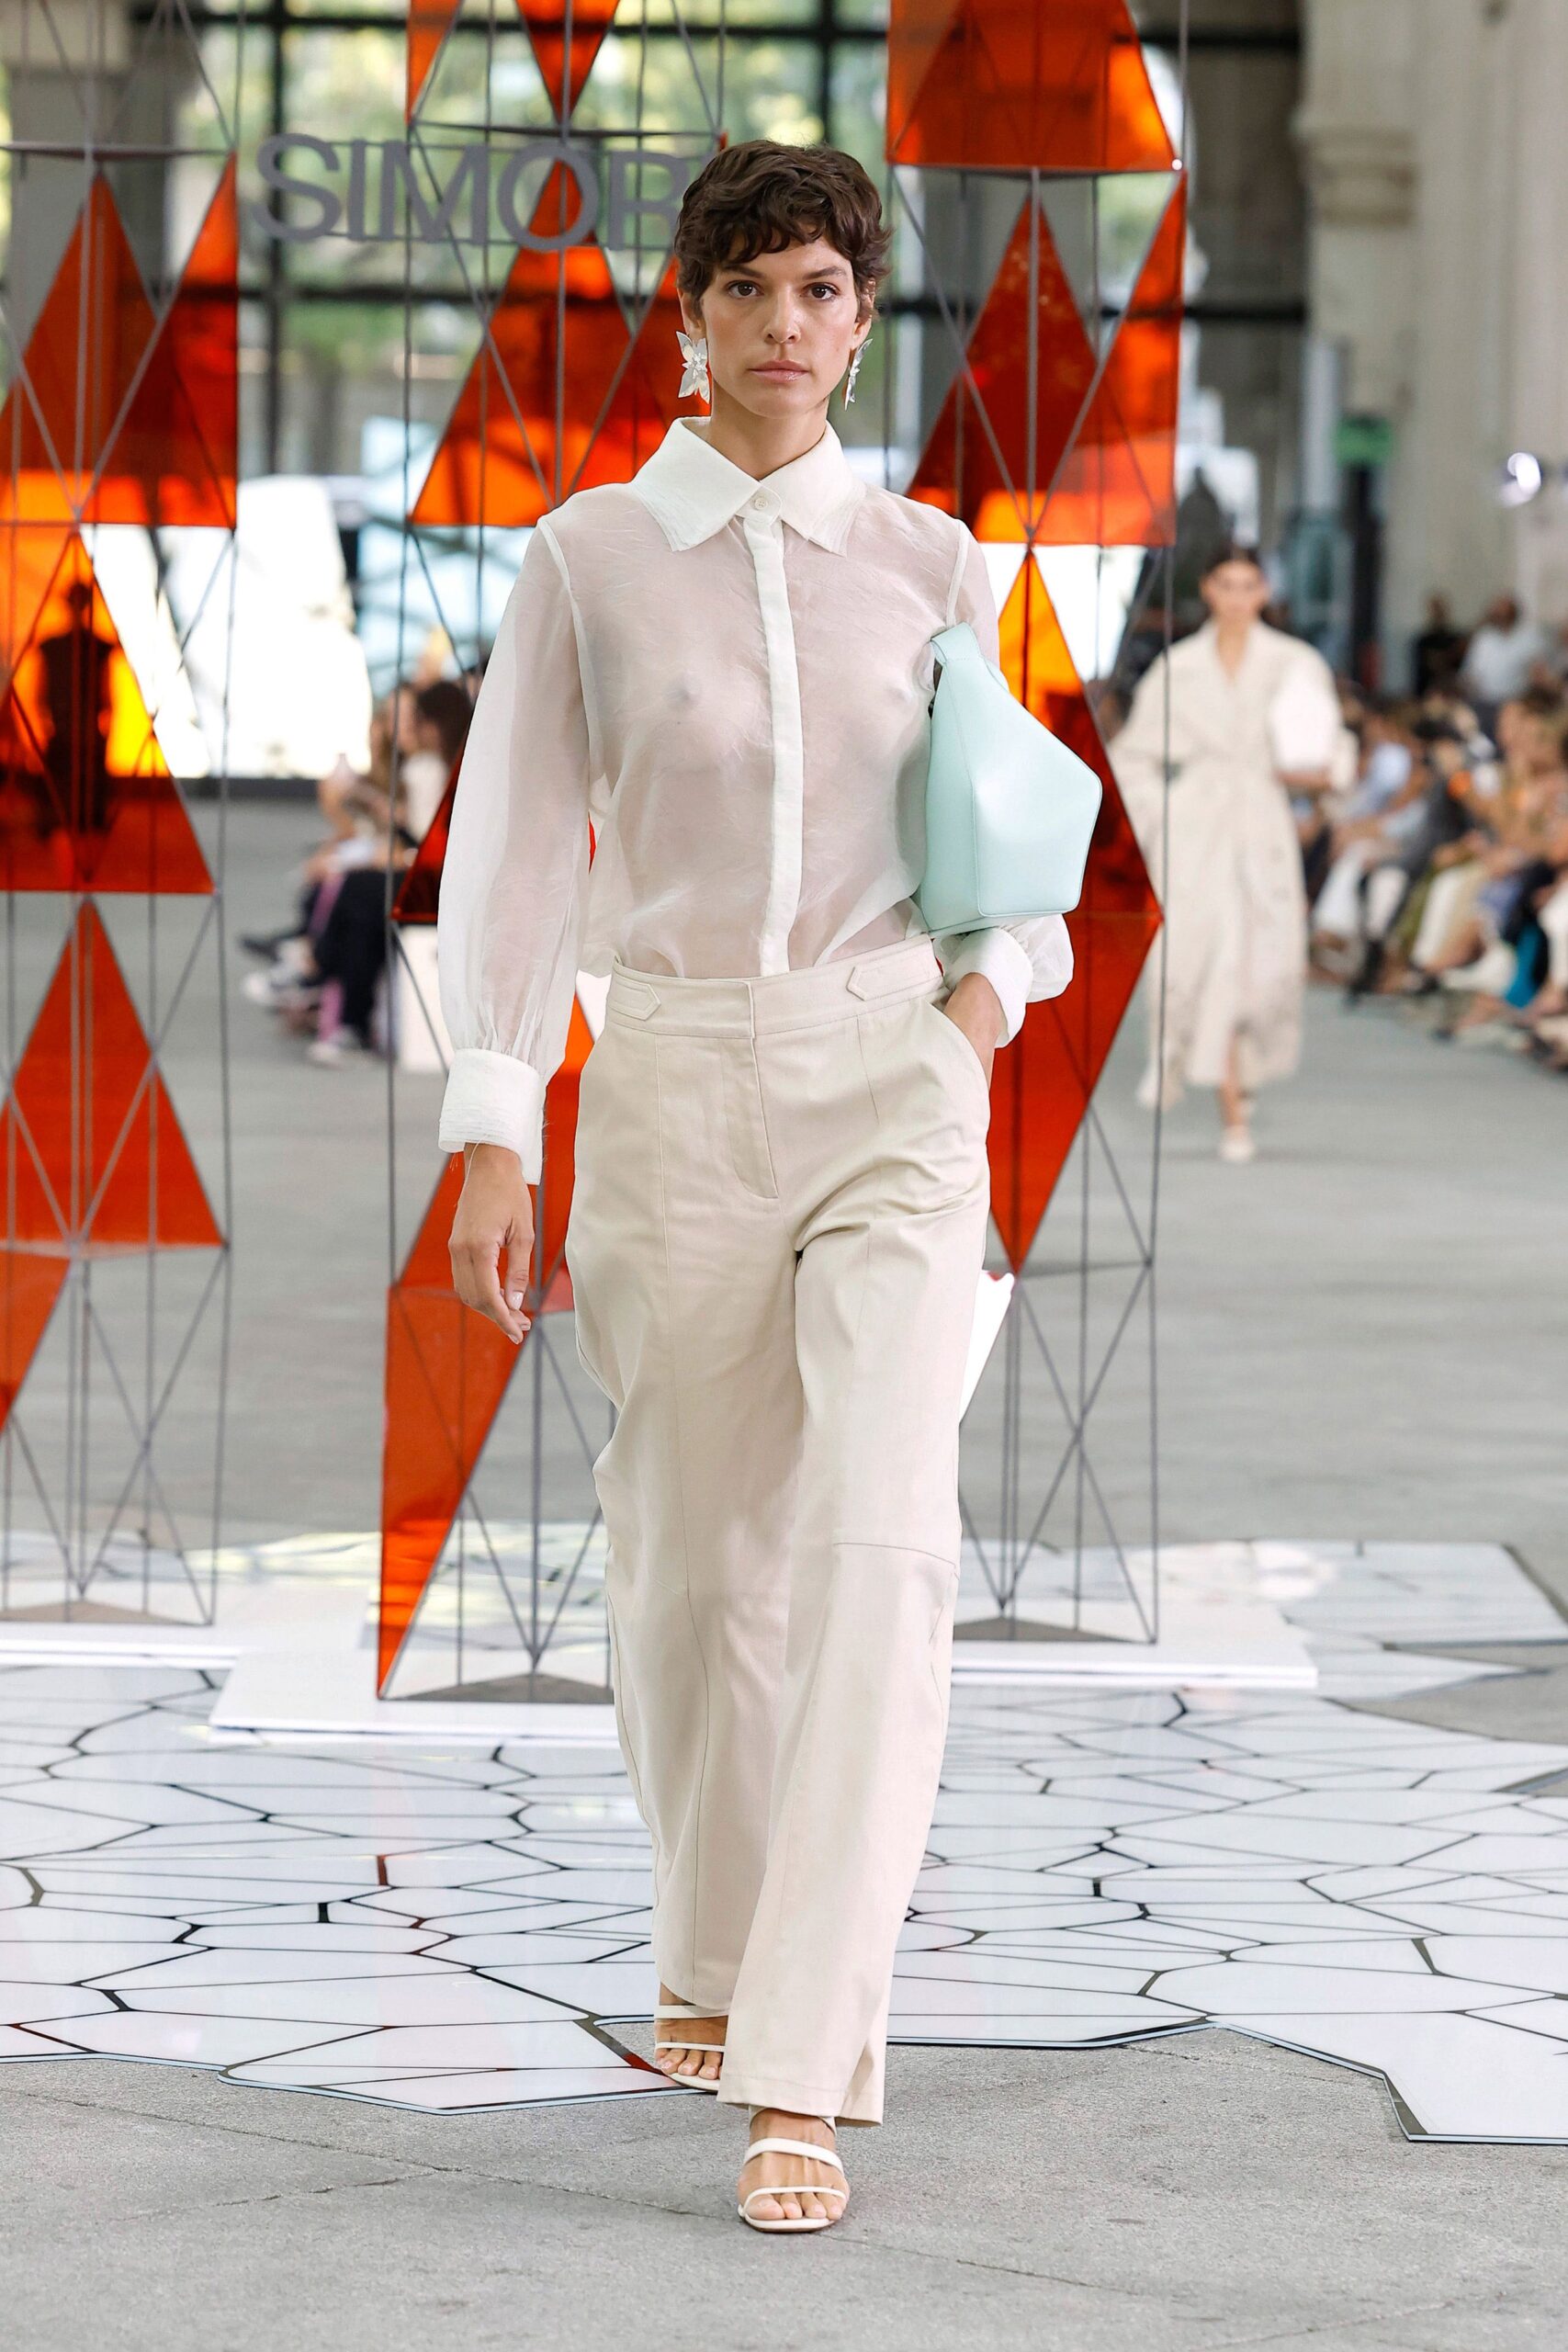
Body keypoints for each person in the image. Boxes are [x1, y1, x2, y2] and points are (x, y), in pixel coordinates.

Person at [434, 140, 1072, 2235]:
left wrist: (971, 1012)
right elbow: (514, 856)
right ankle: (710, 1953)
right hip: (676, 1082)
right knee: (696, 1570)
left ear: (859, 321)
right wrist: (495, 1122)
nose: (783, 325)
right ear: (689, 317)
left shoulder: (931, 560)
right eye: (745, 289)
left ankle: (800, 2063)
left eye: (818, 289)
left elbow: (1011, 844)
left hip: (894, 1084)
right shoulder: (589, 557)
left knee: (880, 1544)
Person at [1109, 545, 1340, 1162]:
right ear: (1208, 590)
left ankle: (1242, 1069)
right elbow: (1132, 758)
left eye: (1248, 585)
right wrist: (1166, 810)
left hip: (1262, 823)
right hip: (1195, 831)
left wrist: (1319, 778)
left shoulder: (1295, 663)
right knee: (1207, 960)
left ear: (1264, 591)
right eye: (1226, 584)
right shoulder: (1177, 668)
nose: (1237, 598)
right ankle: (1232, 1111)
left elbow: (1328, 748)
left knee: (1265, 966)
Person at [1459, 594, 1546, 731]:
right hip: (1485, 704)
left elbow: (1539, 674)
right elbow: (1470, 673)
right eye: (1497, 612)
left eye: (1505, 612)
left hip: (1517, 705)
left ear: (1514, 614)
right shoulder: (1484, 638)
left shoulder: (1530, 638)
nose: (1501, 615)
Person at [1411, 593, 1466, 696]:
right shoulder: (1422, 642)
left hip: (1451, 693)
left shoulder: (1456, 640)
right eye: (1435, 610)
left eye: (1440, 609)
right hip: (1427, 694)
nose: (1437, 613)